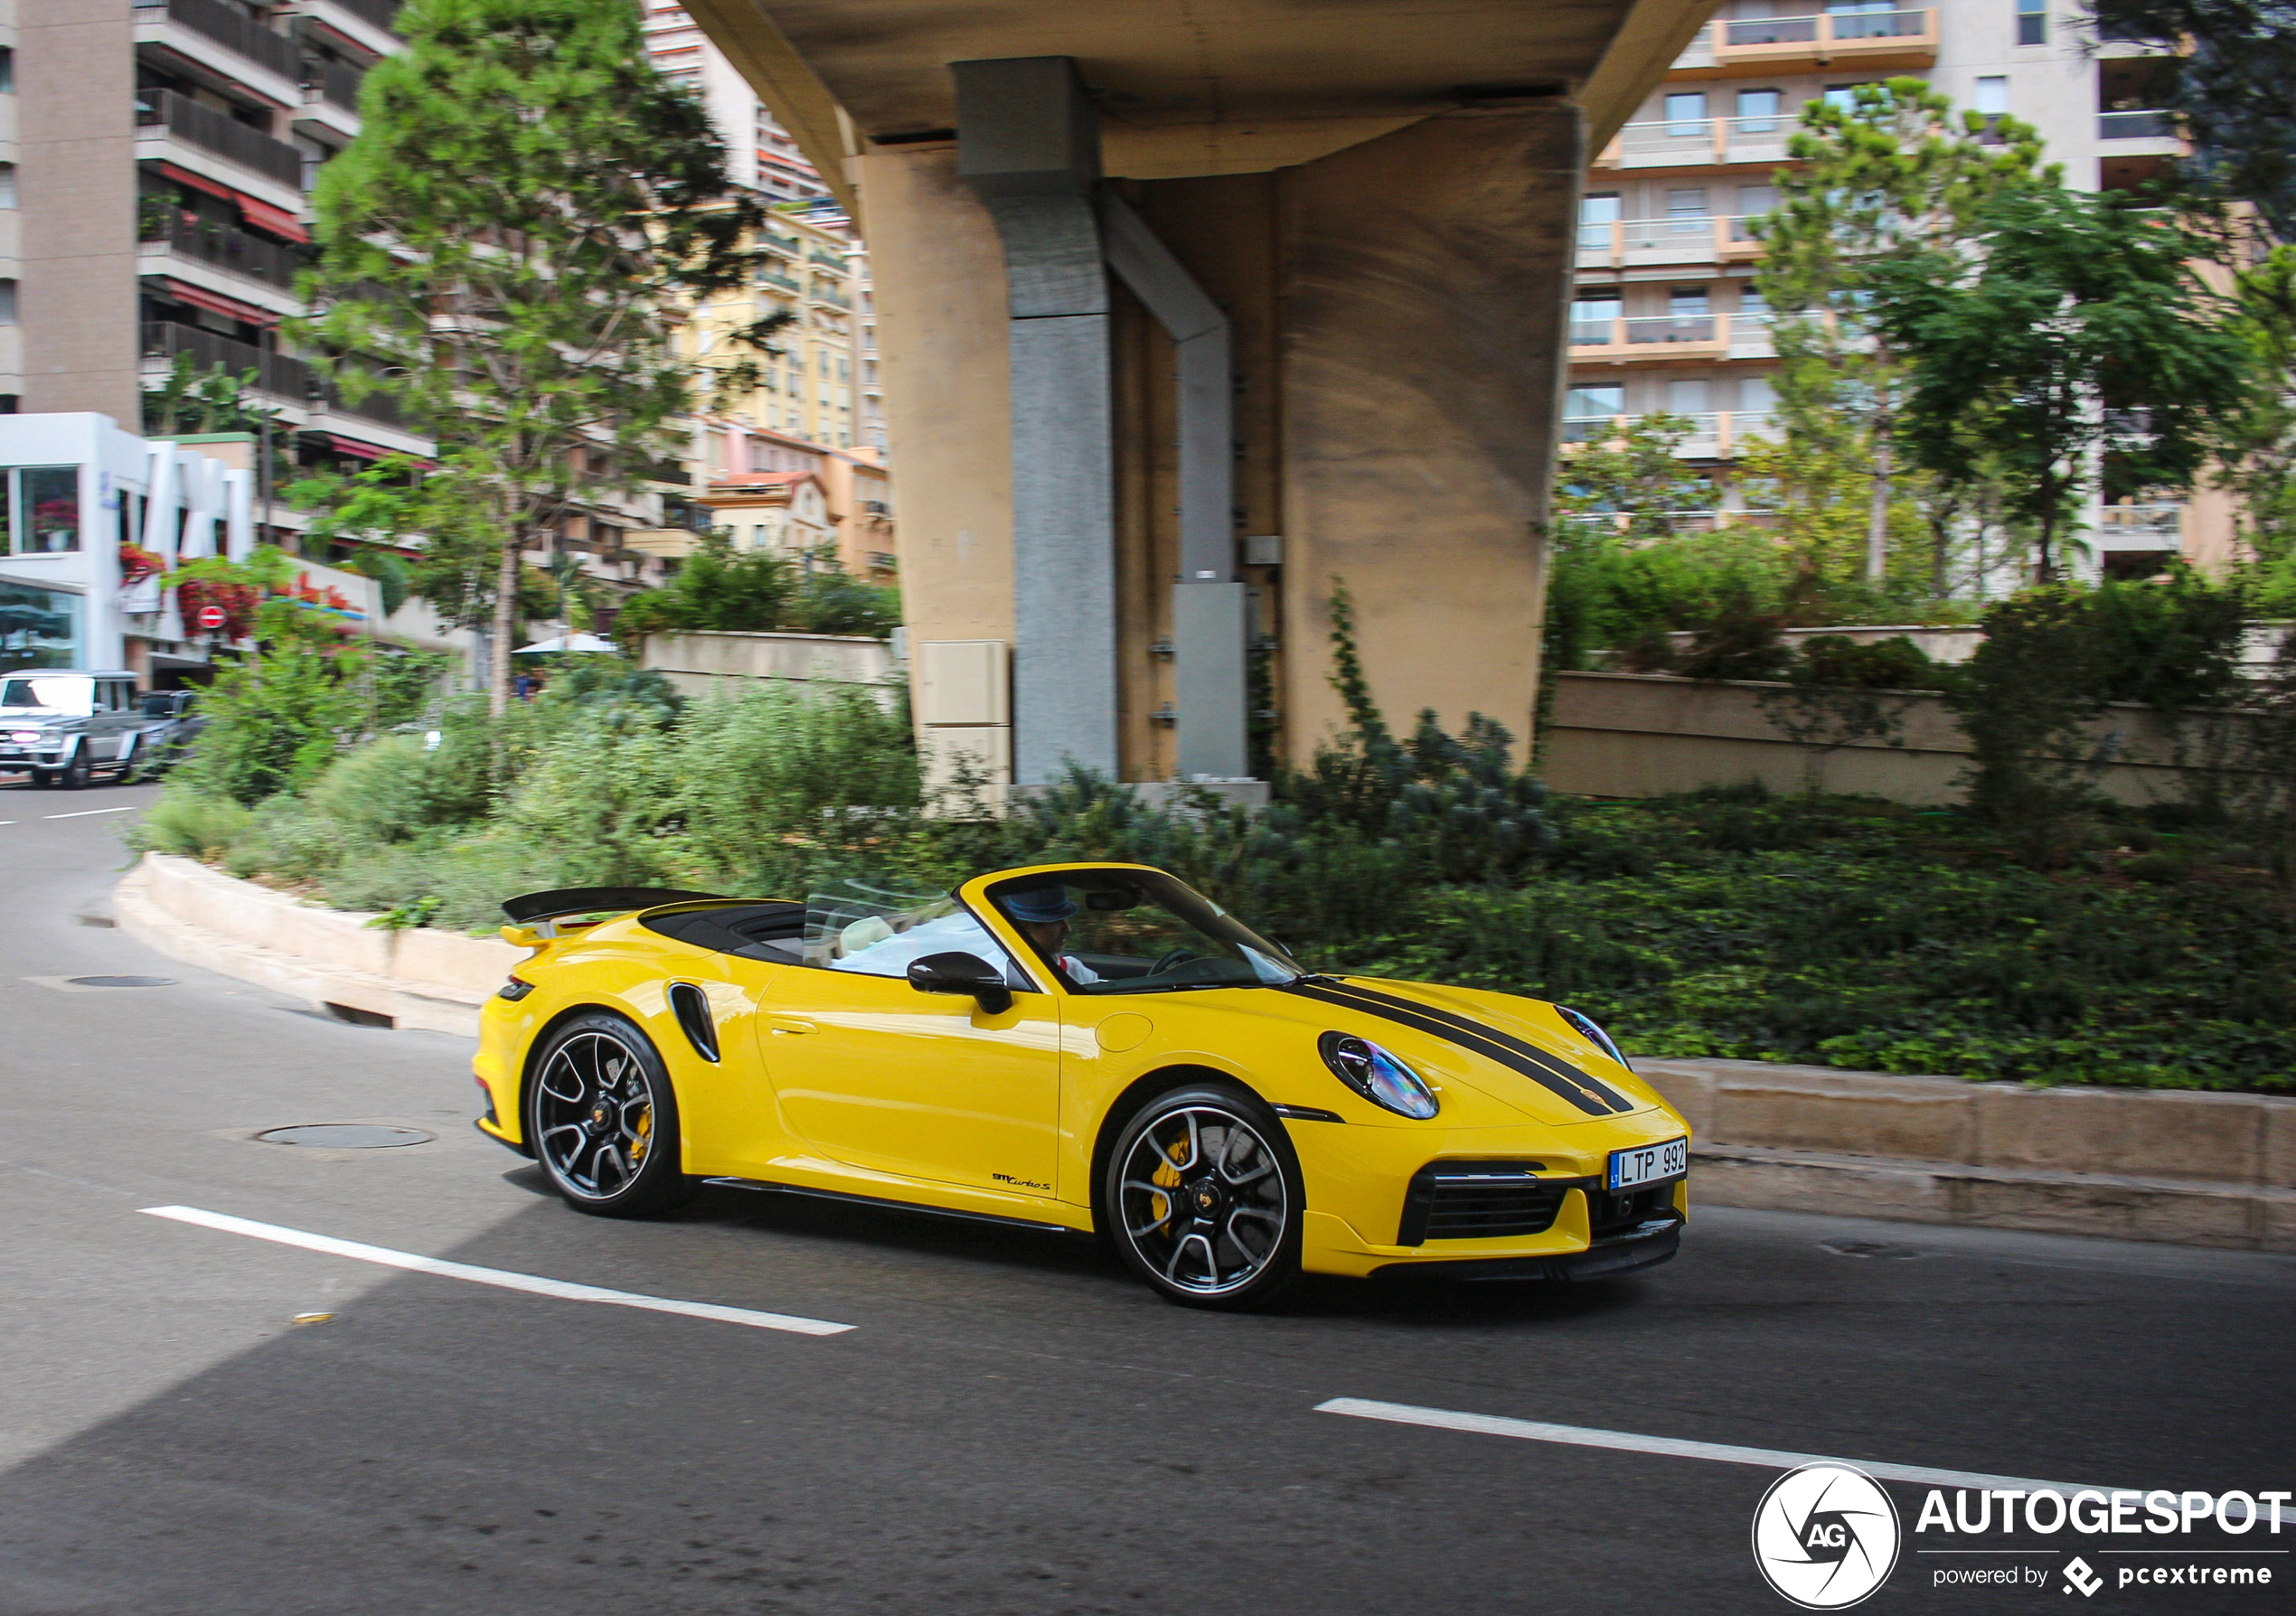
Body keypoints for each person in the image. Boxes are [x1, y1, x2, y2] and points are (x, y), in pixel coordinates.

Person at [999, 887, 1101, 985]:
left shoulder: (1079, 972)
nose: (1067, 929)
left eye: (1065, 920)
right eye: (1057, 922)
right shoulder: (1000, 975)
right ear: (1025, 927)